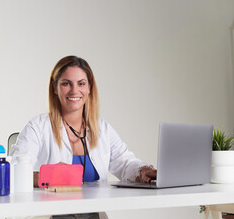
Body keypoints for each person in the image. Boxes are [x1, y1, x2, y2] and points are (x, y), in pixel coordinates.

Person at [11, 55, 157, 187]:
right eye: (66, 83)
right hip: (50, 214)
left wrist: (143, 171)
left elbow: (125, 164)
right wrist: (50, 175)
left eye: (81, 83)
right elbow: (13, 172)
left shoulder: (102, 129)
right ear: (55, 87)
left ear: (89, 88)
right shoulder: (37, 127)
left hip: (94, 214)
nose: (74, 91)